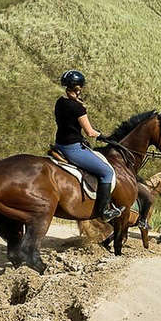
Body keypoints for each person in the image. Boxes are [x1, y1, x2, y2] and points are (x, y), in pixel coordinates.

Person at [54, 70, 121, 222]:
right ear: (78, 88)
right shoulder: (78, 108)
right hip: (73, 148)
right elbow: (90, 132)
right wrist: (103, 136)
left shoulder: (60, 101)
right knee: (106, 172)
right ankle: (103, 212)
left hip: (60, 144)